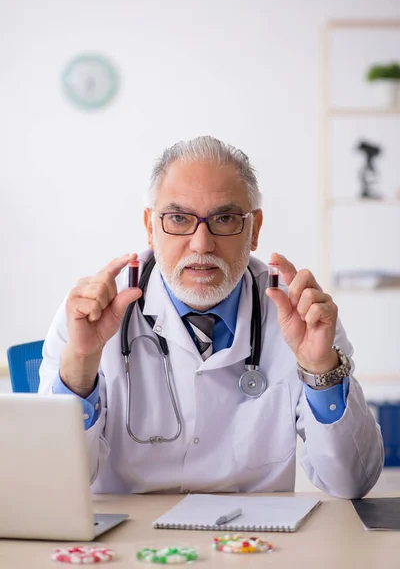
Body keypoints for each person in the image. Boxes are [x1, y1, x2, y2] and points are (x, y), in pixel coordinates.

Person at [39, 136, 384, 497]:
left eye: (224, 219)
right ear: (150, 227)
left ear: (254, 229)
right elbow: (54, 486)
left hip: (256, 543)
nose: (201, 243)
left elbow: (352, 483)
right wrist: (80, 365)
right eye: (177, 218)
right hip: (128, 542)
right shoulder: (90, 313)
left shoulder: (302, 315)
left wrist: (320, 370)